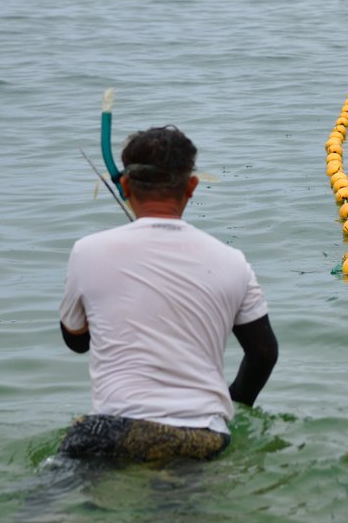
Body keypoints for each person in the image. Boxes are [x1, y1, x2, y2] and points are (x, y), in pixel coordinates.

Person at [58, 125, 278, 463]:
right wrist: (233, 405)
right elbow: (263, 354)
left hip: (110, 430)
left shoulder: (86, 251)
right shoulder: (233, 261)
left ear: (125, 186)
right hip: (201, 435)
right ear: (191, 186)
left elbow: (77, 342)